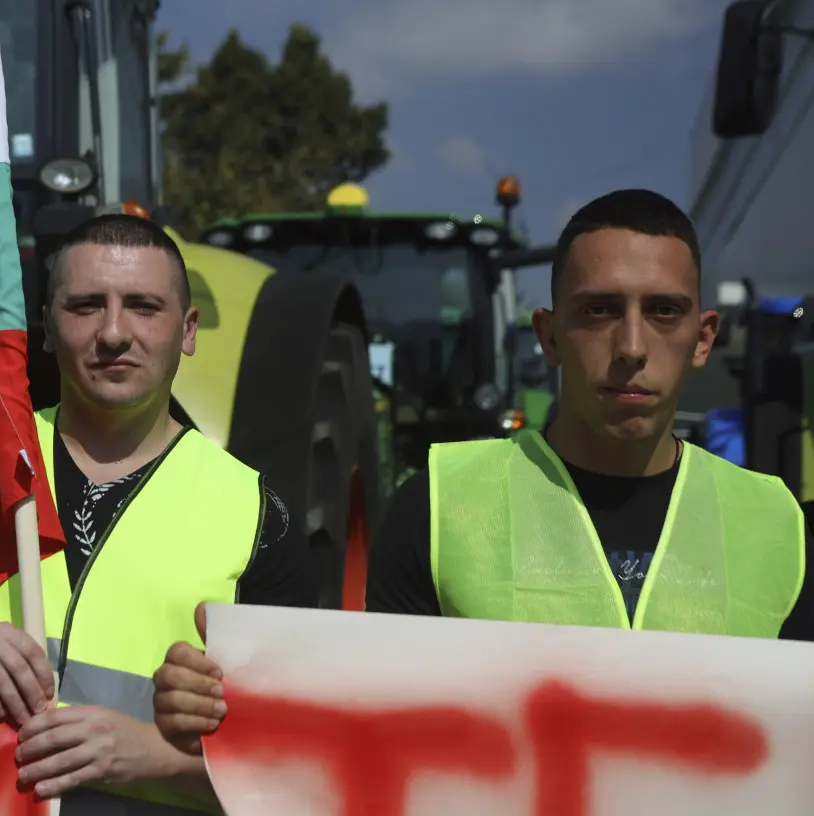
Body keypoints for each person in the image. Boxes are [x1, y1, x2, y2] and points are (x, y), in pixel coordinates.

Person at [151, 188, 814, 756]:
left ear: (703, 337)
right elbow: (375, 732)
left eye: (663, 312)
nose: (632, 347)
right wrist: (232, 700)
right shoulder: (437, 508)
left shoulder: (781, 528)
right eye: (599, 310)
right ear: (548, 334)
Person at [0, 213, 318, 816]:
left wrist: (157, 760)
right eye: (85, 306)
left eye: (143, 306)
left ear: (187, 330)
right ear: (47, 330)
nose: (114, 332)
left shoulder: (258, 518)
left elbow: (303, 774)